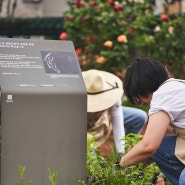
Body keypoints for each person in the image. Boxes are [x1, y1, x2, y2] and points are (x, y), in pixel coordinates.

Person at [120, 57, 185, 185]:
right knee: (162, 147)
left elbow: (149, 146)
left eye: (138, 99)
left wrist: (120, 164)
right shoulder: (176, 86)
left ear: (141, 90)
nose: (143, 104)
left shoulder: (163, 95)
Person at [82, 69, 147, 156]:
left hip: (105, 115)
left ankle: (125, 154)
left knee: (140, 117)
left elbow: (117, 123)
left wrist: (121, 154)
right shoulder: (73, 98)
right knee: (90, 158)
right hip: (82, 123)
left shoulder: (110, 92)